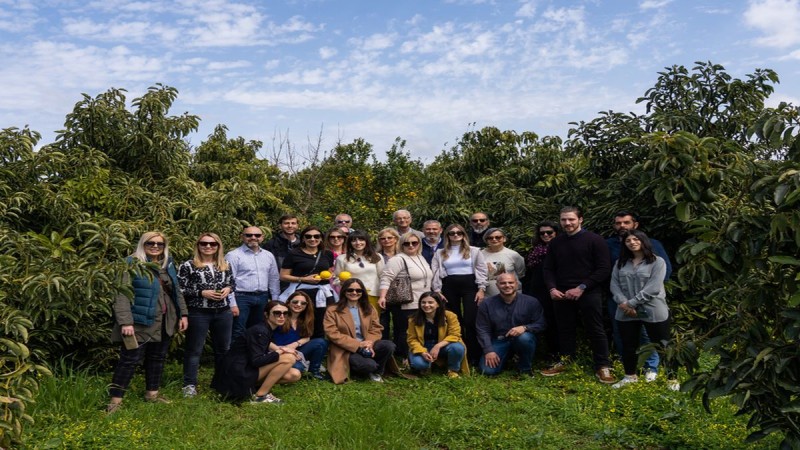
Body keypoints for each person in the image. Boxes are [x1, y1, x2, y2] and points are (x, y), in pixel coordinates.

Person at [107, 232, 188, 413]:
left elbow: (176, 291)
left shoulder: (168, 264)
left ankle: (152, 394)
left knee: (157, 358)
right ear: (142, 244)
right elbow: (121, 294)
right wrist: (126, 322)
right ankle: (115, 401)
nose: (155, 246)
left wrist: (183, 314)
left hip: (165, 320)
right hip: (139, 321)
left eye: (160, 244)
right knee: (129, 360)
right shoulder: (130, 263)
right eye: (150, 243)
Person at [541, 206, 614, 383]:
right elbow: (548, 268)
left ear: (581, 219)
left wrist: (582, 287)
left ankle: (603, 366)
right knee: (564, 329)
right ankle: (566, 361)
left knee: (595, 329)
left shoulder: (595, 240)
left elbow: (604, 269)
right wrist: (552, 288)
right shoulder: (556, 243)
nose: (567, 223)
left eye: (571, 219)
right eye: (564, 220)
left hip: (588, 292)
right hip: (561, 293)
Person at [606, 211, 673, 381]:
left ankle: (671, 377)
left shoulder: (657, 260)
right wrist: (623, 302)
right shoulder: (620, 262)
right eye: (628, 241)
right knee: (628, 344)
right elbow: (614, 284)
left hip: (652, 307)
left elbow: (655, 286)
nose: (632, 242)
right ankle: (630, 376)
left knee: (661, 344)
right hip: (624, 309)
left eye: (636, 239)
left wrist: (632, 303)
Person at [178, 232, 235, 398]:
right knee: (194, 350)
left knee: (223, 349)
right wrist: (202, 293)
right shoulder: (188, 265)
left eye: (212, 244)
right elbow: (180, 289)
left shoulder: (225, 264)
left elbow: (233, 283)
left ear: (218, 246)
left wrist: (228, 289)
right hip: (198, 312)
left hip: (223, 311)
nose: (208, 246)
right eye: (204, 243)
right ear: (198, 245)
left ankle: (221, 382)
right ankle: (189, 384)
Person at [211, 301, 297, 403]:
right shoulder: (260, 330)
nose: (282, 316)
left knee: (294, 374)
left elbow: (265, 343)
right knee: (289, 358)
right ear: (266, 314)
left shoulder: (265, 328)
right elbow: (256, 361)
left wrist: (281, 349)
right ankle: (260, 396)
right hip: (237, 373)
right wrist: (279, 352)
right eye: (277, 313)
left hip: (244, 369)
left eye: (285, 313)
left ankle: (252, 388)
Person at [430, 224, 488, 363]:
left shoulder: (474, 251)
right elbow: (435, 271)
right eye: (452, 233)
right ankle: (459, 352)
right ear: (447, 236)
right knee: (454, 319)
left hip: (470, 285)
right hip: (449, 286)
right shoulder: (440, 252)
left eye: (459, 233)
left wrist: (481, 289)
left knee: (471, 320)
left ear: (463, 235)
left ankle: (474, 354)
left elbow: (481, 269)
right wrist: (437, 290)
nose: (455, 235)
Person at [324, 278, 397, 384]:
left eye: (358, 290)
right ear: (344, 291)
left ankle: (377, 371)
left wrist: (368, 343)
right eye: (350, 290)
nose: (354, 293)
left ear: (362, 293)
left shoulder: (369, 308)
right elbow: (332, 333)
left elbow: (376, 328)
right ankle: (364, 367)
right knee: (368, 365)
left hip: (368, 345)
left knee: (388, 345)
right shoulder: (332, 310)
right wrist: (358, 344)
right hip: (347, 348)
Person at [378, 232, 433, 366]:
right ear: (401, 244)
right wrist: (382, 296)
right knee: (404, 330)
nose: (410, 245)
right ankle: (404, 357)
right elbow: (386, 277)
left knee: (417, 329)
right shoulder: (398, 259)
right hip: (406, 301)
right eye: (406, 243)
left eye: (414, 243)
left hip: (422, 300)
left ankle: (414, 352)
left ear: (419, 244)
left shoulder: (421, 257)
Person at [476, 273, 546, 376]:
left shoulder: (531, 302)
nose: (507, 285)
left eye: (511, 282)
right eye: (503, 283)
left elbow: (541, 323)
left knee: (525, 338)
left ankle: (525, 368)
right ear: (497, 285)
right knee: (487, 371)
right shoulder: (487, 304)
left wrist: (525, 328)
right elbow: (482, 329)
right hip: (499, 340)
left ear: (516, 284)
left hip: (522, 339)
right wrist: (489, 351)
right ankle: (508, 357)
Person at [279, 225, 336, 339]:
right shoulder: (294, 253)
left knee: (321, 324)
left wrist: (329, 276)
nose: (312, 239)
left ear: (321, 238)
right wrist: (304, 279)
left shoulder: (327, 254)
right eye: (308, 236)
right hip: (302, 294)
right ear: (303, 238)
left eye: (316, 236)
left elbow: (330, 272)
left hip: (323, 294)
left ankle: (318, 348)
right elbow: (283, 276)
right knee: (302, 322)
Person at [226, 226, 281, 340]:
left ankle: (255, 357)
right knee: (238, 330)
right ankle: (236, 358)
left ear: (262, 238)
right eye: (249, 235)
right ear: (242, 237)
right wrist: (232, 304)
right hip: (241, 297)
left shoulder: (268, 255)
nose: (253, 238)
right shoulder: (233, 255)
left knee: (259, 330)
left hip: (262, 297)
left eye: (257, 235)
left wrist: (275, 300)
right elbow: (228, 281)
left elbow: (274, 279)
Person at [406, 291, 469, 378]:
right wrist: (422, 352)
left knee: (457, 347)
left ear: (438, 304)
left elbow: (455, 335)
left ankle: (452, 370)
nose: (426, 305)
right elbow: (411, 339)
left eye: (430, 302)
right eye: (423, 302)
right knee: (419, 365)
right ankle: (427, 366)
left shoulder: (450, 316)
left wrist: (438, 346)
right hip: (423, 347)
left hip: (443, 346)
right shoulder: (413, 319)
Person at [522, 221, 559, 361]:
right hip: (535, 291)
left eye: (549, 232)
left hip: (553, 290)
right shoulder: (536, 249)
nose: (545, 235)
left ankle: (555, 354)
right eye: (542, 233)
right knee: (536, 321)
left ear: (556, 233)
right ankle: (534, 355)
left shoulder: (559, 249)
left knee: (553, 323)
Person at [270, 291, 329, 381]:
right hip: (279, 351)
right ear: (288, 302)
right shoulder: (280, 316)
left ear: (306, 305)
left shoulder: (305, 319)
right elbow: (266, 340)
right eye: (295, 302)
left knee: (321, 342)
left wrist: (296, 344)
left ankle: (314, 372)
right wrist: (283, 350)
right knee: (299, 367)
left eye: (303, 303)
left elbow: (307, 337)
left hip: (297, 351)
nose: (298, 305)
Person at [335, 230, 384, 311]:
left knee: (372, 321)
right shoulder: (342, 258)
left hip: (372, 294)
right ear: (350, 243)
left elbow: (382, 276)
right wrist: (341, 282)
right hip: (352, 295)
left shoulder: (377, 256)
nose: (358, 243)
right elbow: (336, 278)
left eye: (361, 240)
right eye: (354, 240)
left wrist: (383, 296)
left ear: (366, 241)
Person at [480, 228, 525, 298]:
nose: (494, 239)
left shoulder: (513, 255)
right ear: (486, 240)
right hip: (489, 297)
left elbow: (521, 273)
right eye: (490, 238)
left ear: (504, 239)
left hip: (512, 296)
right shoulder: (480, 255)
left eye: (498, 237)